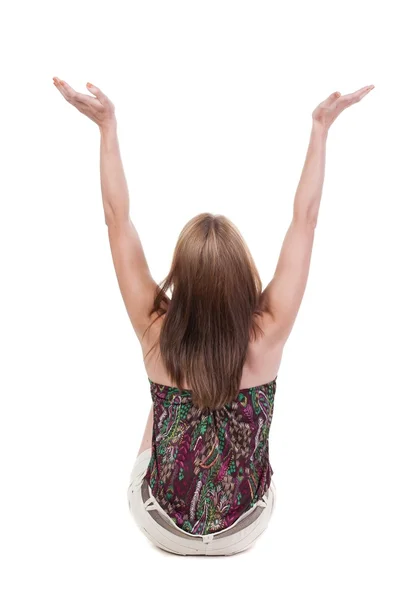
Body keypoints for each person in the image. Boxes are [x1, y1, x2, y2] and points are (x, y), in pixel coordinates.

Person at [53, 77, 374, 555]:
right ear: (243, 274)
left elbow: (116, 219)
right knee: (191, 407)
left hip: (163, 528)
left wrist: (107, 127)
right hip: (243, 529)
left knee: (163, 404)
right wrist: (319, 129)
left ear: (180, 276)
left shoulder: (155, 330)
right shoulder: (268, 332)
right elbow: (305, 219)